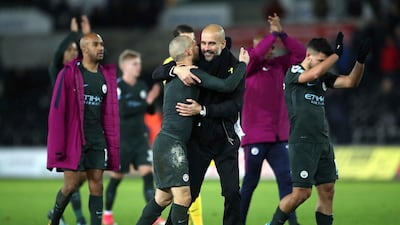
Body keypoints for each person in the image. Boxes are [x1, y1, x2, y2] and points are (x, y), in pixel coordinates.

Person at [136, 35, 249, 225]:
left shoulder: (177, 72)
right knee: (184, 198)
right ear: (188, 51)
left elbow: (160, 72)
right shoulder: (192, 72)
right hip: (173, 145)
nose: (200, 48)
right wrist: (243, 65)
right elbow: (227, 85)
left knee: (162, 199)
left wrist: (174, 70)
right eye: (196, 46)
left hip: (164, 142)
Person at [266, 32, 370, 225]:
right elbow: (312, 73)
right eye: (322, 60)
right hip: (302, 142)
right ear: (308, 56)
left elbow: (350, 82)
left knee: (328, 190)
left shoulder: (322, 77)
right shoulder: (293, 72)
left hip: (323, 141)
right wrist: (336, 56)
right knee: (301, 194)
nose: (326, 65)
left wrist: (360, 61)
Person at [46, 33, 120, 225]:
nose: (101, 48)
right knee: (70, 186)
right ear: (84, 49)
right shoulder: (69, 73)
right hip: (75, 139)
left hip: (97, 139)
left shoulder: (105, 77)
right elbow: (57, 110)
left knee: (97, 186)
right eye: (96, 44)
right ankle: (53, 220)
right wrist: (58, 143)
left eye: (102, 44)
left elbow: (108, 114)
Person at [240, 14, 304, 225]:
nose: (269, 49)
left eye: (272, 46)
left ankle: (292, 223)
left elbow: (301, 54)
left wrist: (282, 34)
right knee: (249, 184)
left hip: (279, 138)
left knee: (287, 183)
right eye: (266, 46)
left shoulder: (280, 66)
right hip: (256, 137)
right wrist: (272, 35)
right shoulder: (248, 68)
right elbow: (256, 54)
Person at [102, 49, 164, 225]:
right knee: (116, 178)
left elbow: (150, 111)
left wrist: (151, 103)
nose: (139, 67)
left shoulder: (142, 87)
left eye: (139, 63)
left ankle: (154, 217)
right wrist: (146, 103)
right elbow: (123, 111)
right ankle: (107, 216)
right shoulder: (118, 87)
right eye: (135, 64)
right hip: (122, 141)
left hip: (140, 140)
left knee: (147, 175)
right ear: (124, 66)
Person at [47, 15, 92, 225]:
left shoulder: (83, 73)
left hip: (83, 132)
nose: (74, 53)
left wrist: (85, 35)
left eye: (77, 50)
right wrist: (74, 34)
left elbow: (93, 55)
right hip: (66, 133)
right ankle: (78, 219)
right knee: (73, 180)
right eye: (70, 50)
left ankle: (55, 212)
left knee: (80, 179)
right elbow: (57, 55)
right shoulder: (58, 73)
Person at [163, 24, 204, 225]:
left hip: (194, 134)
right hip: (177, 135)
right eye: (188, 40)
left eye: (194, 40)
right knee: (178, 194)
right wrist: (176, 70)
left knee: (188, 192)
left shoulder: (199, 61)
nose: (194, 44)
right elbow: (158, 72)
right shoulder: (169, 66)